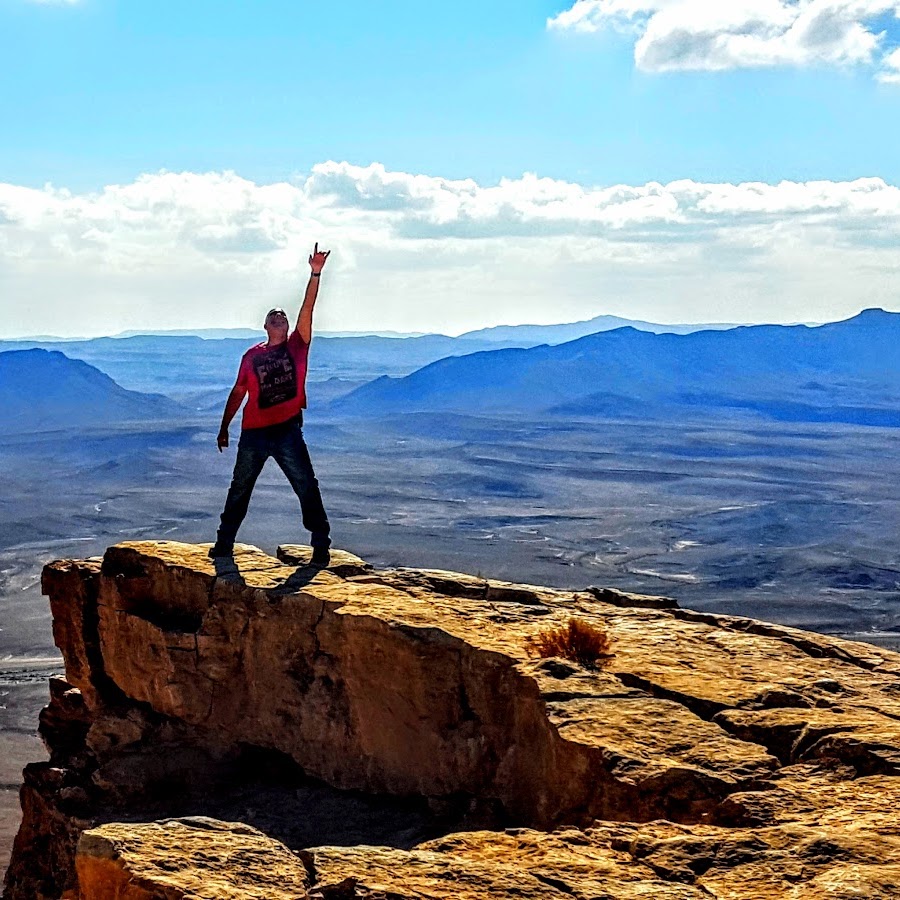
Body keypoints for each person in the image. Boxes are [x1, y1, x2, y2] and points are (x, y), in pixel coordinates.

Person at [209, 243, 332, 564]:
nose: (280, 319)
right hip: (254, 433)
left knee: (305, 484)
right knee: (240, 488)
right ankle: (224, 543)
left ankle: (321, 544)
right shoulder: (252, 355)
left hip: (286, 430)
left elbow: (308, 308)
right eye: (273, 317)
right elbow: (238, 392)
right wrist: (224, 427)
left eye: (283, 317)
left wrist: (315, 273)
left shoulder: (297, 347)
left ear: (289, 326)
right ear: (265, 326)